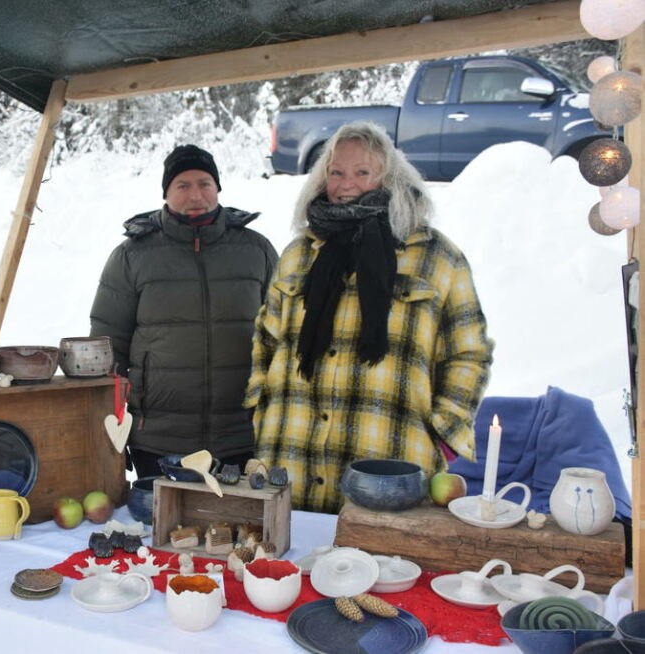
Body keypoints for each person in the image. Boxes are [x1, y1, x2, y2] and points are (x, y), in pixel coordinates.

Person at [245, 122, 494, 514]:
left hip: (389, 458)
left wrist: (444, 429)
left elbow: (469, 353)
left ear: (388, 176)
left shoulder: (436, 257)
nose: (347, 184)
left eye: (362, 172)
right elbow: (266, 338)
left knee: (383, 571)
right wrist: (261, 407)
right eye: (336, 172)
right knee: (288, 569)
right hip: (292, 451)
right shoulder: (298, 254)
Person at [90, 145, 278, 478]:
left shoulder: (256, 250)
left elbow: (280, 336)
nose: (196, 194)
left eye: (205, 183)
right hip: (158, 437)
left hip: (241, 433)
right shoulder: (132, 256)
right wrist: (113, 424)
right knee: (165, 529)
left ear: (218, 188)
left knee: (237, 528)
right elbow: (107, 346)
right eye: (183, 185)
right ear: (166, 192)